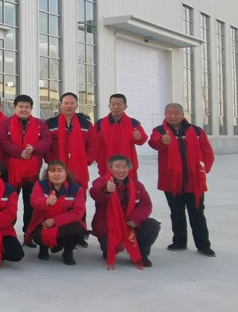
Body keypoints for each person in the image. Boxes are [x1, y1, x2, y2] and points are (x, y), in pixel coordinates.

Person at [148, 103, 215, 256]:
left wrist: (203, 169)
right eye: (169, 113)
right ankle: (179, 242)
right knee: (176, 213)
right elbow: (153, 143)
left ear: (183, 114)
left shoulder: (197, 131)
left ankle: (203, 245)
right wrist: (162, 141)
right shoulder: (159, 131)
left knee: (197, 214)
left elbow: (207, 153)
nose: (172, 116)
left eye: (176, 113)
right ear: (165, 114)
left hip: (194, 182)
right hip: (171, 181)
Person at [0, 94, 52, 241]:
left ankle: (29, 233)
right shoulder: (6, 123)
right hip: (11, 171)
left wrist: (33, 149)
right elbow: (3, 140)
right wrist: (20, 153)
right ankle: (8, 234)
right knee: (9, 204)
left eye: (27, 107)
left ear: (31, 108)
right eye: (20, 106)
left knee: (30, 204)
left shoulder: (40, 124)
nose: (24, 109)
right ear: (14, 108)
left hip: (32, 172)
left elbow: (46, 140)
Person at [90, 155, 161, 268]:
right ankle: (109, 250)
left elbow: (146, 205)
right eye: (117, 167)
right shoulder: (101, 181)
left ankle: (142, 254)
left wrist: (135, 219)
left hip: (129, 223)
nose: (121, 170)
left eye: (125, 167)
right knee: (109, 248)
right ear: (110, 168)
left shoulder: (136, 185)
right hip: (109, 225)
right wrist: (106, 190)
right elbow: (95, 193)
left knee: (152, 224)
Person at [25, 161, 86, 265]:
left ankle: (68, 252)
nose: (56, 174)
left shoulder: (76, 189)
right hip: (43, 223)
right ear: (47, 173)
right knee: (38, 234)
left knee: (77, 228)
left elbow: (78, 212)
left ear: (66, 172)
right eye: (52, 171)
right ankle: (43, 248)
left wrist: (55, 221)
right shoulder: (40, 185)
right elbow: (34, 200)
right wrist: (46, 202)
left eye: (60, 170)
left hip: (63, 225)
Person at [45, 92, 99, 190]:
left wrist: (87, 160)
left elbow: (93, 144)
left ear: (77, 105)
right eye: (66, 103)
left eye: (72, 103)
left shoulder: (86, 124)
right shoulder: (51, 124)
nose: (69, 106)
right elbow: (46, 145)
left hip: (79, 168)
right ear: (61, 105)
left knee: (78, 194)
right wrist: (51, 160)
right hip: (57, 168)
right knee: (56, 195)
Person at [95, 94, 148, 179]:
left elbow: (143, 139)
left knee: (128, 186)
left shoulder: (133, 123)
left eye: (119, 104)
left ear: (125, 106)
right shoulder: (100, 124)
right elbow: (93, 143)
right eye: (113, 104)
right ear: (109, 106)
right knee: (107, 186)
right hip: (106, 165)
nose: (115, 107)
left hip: (126, 166)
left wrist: (139, 137)